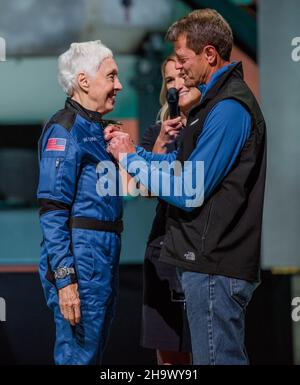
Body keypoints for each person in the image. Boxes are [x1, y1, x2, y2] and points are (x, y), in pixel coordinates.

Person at [105, 9, 266, 365]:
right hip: (207, 263)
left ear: (209, 54)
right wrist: (134, 153)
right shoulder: (215, 105)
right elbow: (180, 169)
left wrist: (131, 161)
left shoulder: (228, 108)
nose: (179, 70)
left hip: (214, 264)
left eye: (182, 59)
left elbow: (188, 189)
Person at [37, 40, 123, 365]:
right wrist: (65, 279)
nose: (119, 85)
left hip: (101, 253)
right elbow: (52, 210)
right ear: (84, 81)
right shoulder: (65, 129)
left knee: (91, 355)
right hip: (82, 258)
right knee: (77, 357)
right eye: (112, 76)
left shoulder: (97, 131)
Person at [140, 55, 200, 365]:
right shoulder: (156, 133)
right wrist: (163, 141)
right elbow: (147, 190)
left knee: (209, 348)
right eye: (169, 80)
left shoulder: (214, 126)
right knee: (170, 354)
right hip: (163, 248)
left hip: (203, 252)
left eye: (180, 76)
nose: (176, 84)